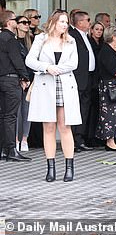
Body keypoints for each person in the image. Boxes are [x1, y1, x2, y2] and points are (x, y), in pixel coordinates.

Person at [26, 10, 81, 181]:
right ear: (54, 22)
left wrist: (58, 69)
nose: (65, 25)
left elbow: (74, 63)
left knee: (65, 126)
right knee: (48, 127)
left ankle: (69, 167)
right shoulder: (41, 39)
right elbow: (30, 60)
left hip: (65, 84)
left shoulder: (71, 41)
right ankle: (50, 168)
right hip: (46, 85)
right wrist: (46, 67)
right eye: (62, 21)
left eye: (66, 22)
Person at [0, 10, 31, 162]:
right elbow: (17, 61)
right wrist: (25, 77)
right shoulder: (11, 39)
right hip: (12, 81)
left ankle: (3, 150)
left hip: (1, 80)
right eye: (15, 19)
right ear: (9, 22)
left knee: (3, 115)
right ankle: (11, 150)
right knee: (11, 116)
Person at [68, 11, 97, 151]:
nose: (89, 22)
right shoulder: (72, 35)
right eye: (87, 20)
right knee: (76, 109)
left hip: (89, 77)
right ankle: (73, 140)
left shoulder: (86, 36)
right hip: (78, 78)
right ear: (79, 22)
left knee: (84, 108)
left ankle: (80, 138)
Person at [96, 25, 116, 150]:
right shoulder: (106, 51)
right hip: (110, 86)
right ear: (113, 37)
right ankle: (109, 140)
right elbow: (115, 71)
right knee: (109, 113)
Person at [15, 15, 34, 152]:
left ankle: (25, 139)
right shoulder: (12, 41)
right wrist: (22, 78)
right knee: (17, 111)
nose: (26, 25)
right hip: (18, 78)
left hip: (31, 79)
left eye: (28, 22)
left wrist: (30, 79)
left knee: (27, 110)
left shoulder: (31, 41)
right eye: (23, 22)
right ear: (16, 24)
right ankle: (16, 139)